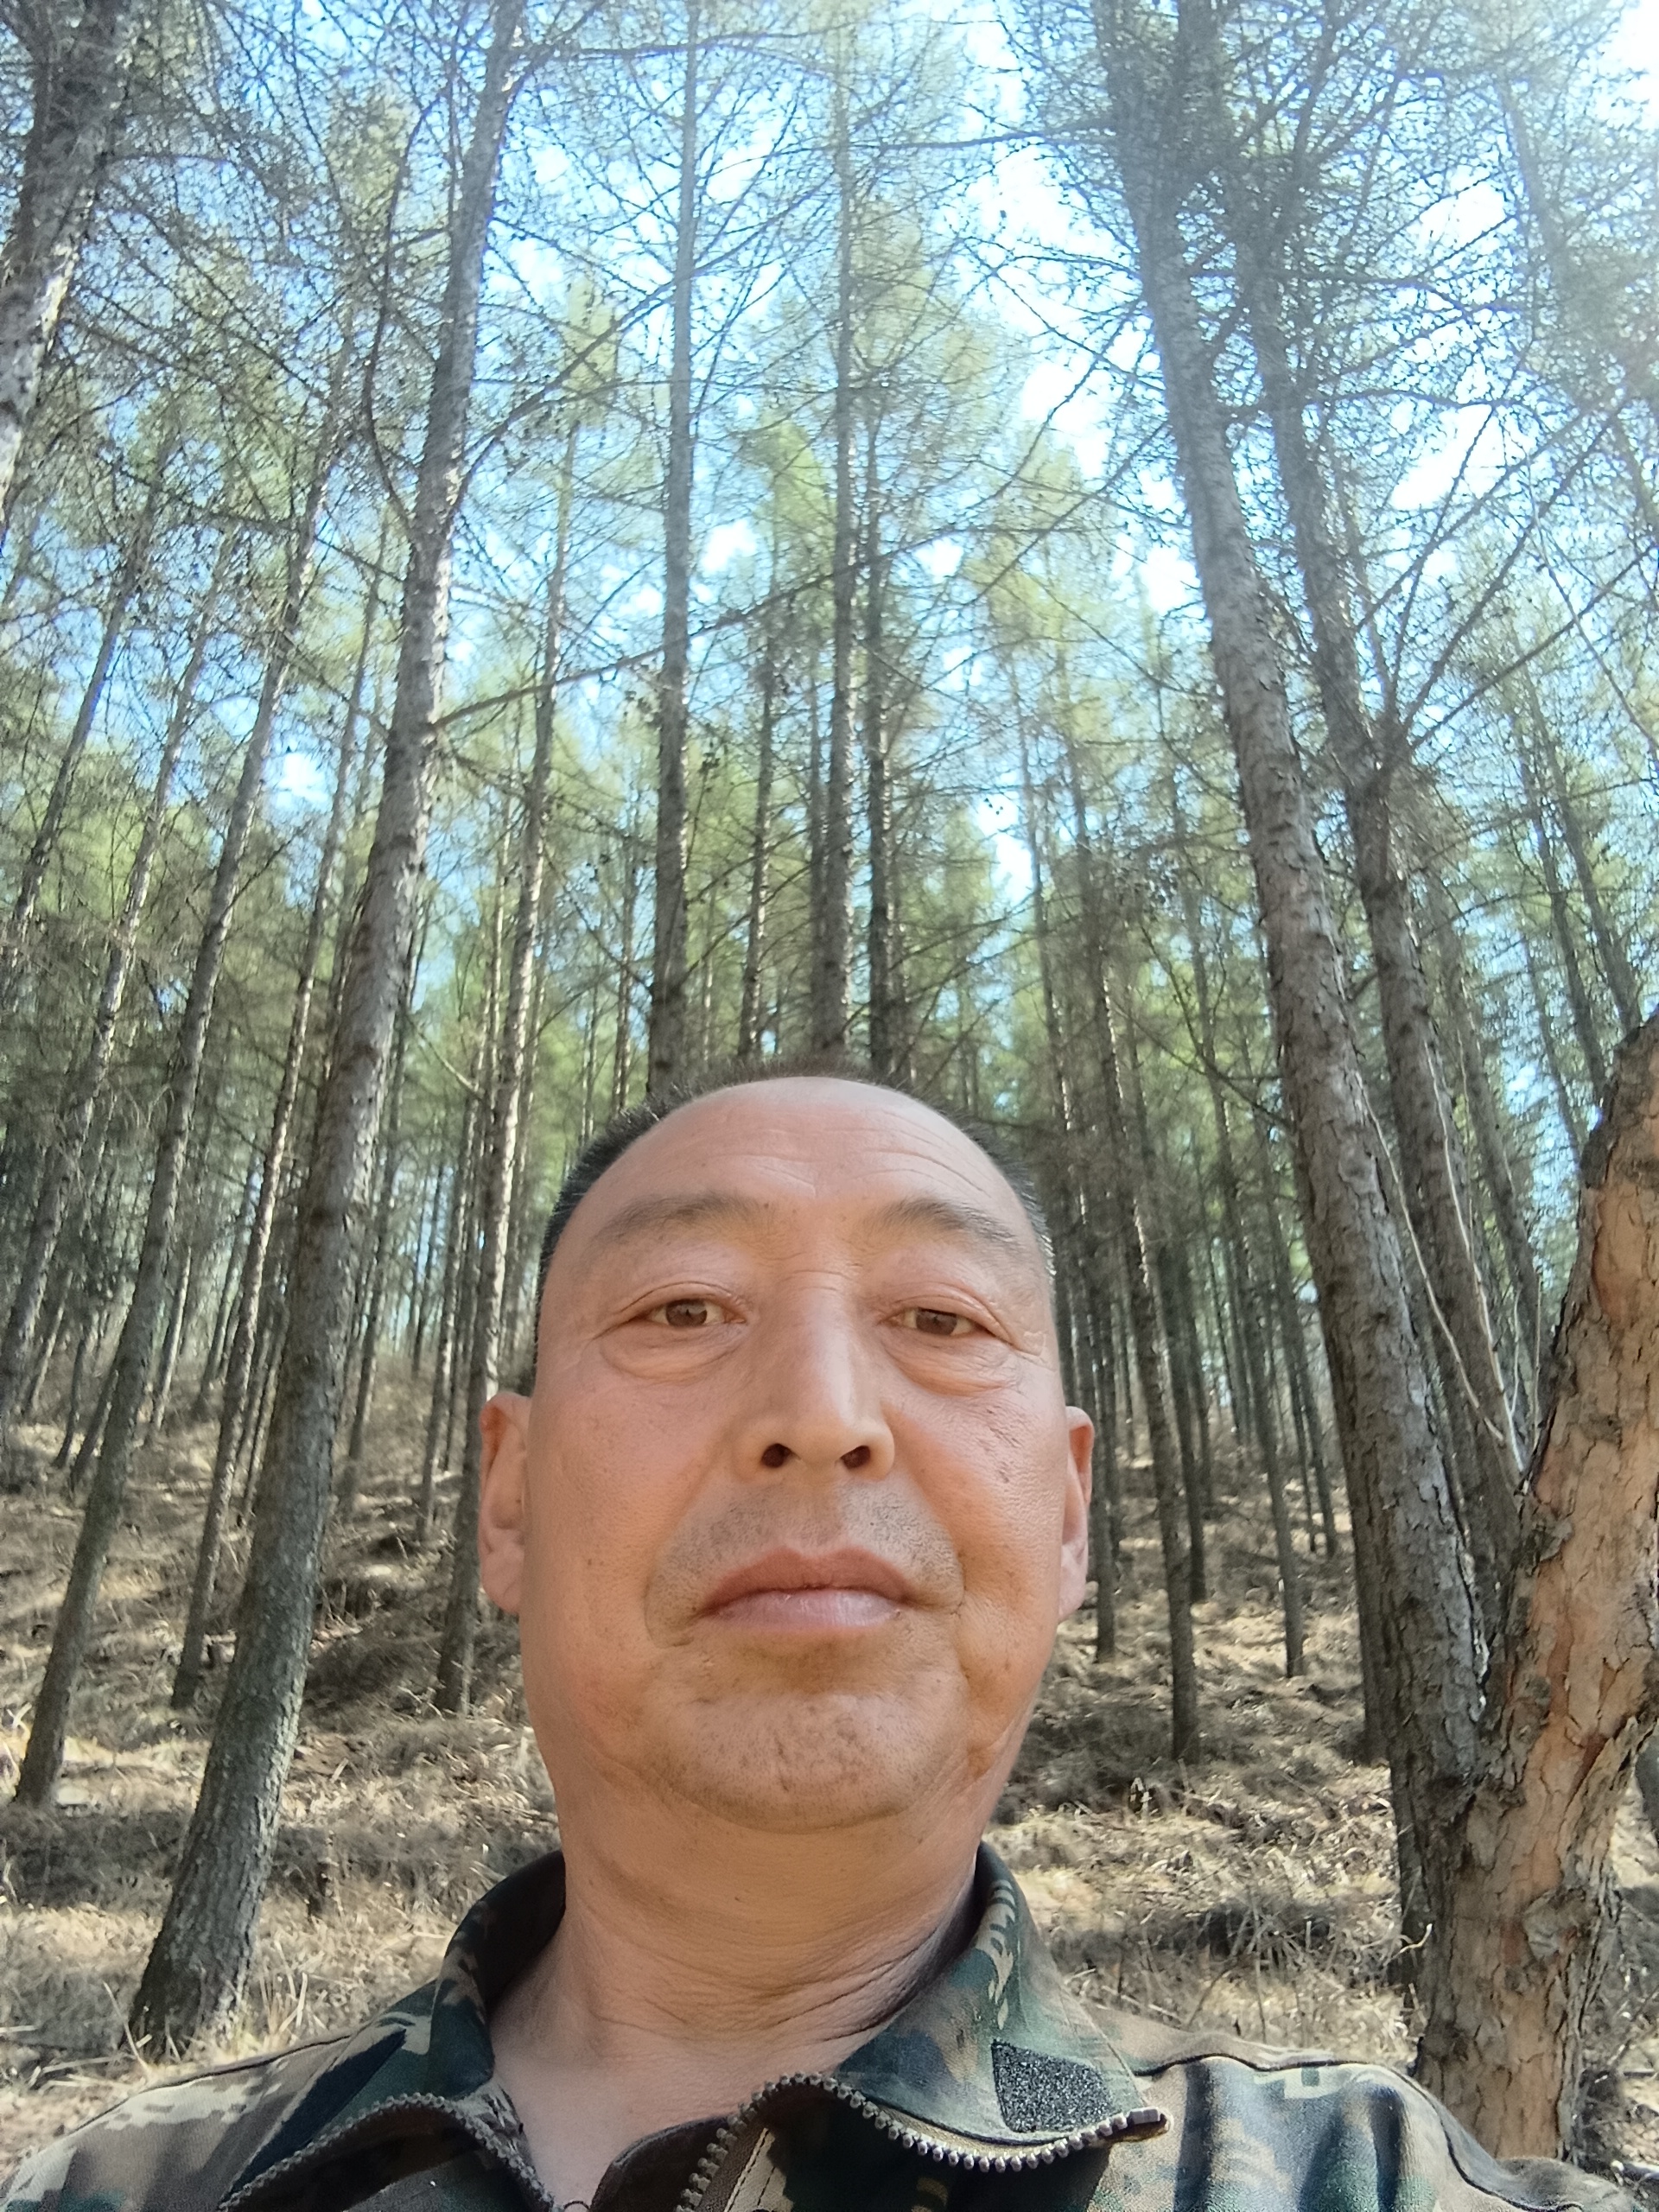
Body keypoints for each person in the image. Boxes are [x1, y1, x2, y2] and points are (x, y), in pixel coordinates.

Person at [1, 1065, 1632, 2211]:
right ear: (508, 1498)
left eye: (940, 1318)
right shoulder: (128, 2191)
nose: (822, 1412)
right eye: (682, 1309)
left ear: (1070, 1516)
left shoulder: (1353, 2182)